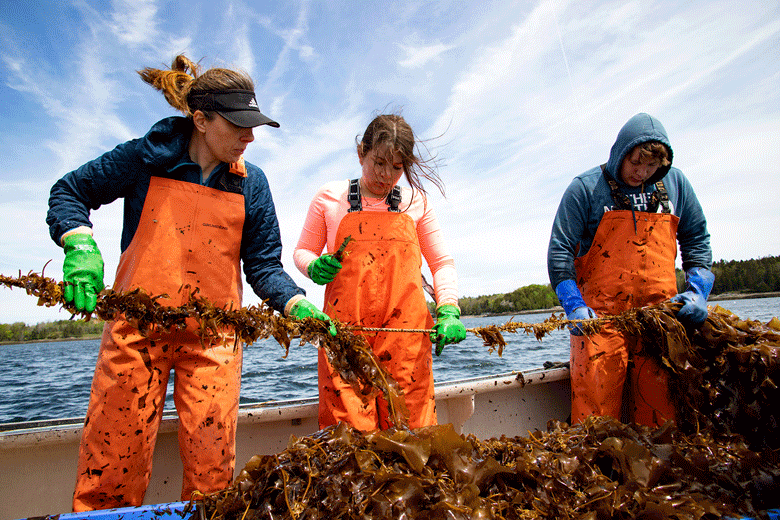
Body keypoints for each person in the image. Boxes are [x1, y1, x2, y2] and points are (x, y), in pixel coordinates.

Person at [46, 55, 334, 511]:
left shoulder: (252, 185)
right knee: (110, 471)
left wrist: (296, 303)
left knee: (213, 478)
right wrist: (80, 243)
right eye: (239, 124)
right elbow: (69, 191)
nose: (250, 136)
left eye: (254, 125)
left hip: (214, 341)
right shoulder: (144, 159)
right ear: (200, 120)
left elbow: (263, 265)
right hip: (136, 335)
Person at [293, 113, 467, 431]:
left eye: (397, 167)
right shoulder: (330, 198)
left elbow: (441, 262)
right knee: (347, 437)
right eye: (379, 162)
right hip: (343, 338)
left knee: (413, 431)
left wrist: (449, 309)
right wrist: (312, 267)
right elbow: (302, 252)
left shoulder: (417, 202)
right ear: (362, 153)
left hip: (408, 338)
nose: (386, 176)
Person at [547, 113, 714, 428]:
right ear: (621, 152)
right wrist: (573, 305)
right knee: (593, 418)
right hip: (599, 322)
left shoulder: (676, 183)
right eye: (636, 162)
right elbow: (560, 252)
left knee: (662, 412)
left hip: (660, 319)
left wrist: (698, 291)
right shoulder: (584, 189)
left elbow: (698, 241)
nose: (642, 172)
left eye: (651, 167)